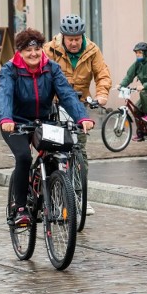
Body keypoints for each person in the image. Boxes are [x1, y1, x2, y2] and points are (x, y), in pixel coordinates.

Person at [0, 28, 95, 226]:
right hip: (16, 123)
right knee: (23, 157)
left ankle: (53, 199)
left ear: (42, 49)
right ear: (20, 52)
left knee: (54, 156)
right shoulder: (10, 69)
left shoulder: (51, 68)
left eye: (37, 49)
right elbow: (4, 95)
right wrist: (6, 118)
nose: (33, 54)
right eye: (27, 50)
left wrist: (82, 117)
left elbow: (66, 93)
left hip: (44, 121)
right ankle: (21, 208)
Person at [43, 14, 112, 215]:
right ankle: (49, 195)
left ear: (82, 36)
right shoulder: (49, 50)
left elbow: (102, 74)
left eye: (77, 38)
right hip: (54, 105)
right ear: (63, 37)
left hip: (79, 105)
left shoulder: (92, 50)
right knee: (50, 149)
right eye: (70, 39)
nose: (74, 43)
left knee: (79, 150)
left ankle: (80, 197)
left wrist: (101, 95)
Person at [117, 42, 147, 141]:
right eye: (136, 53)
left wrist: (144, 86)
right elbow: (129, 76)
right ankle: (141, 133)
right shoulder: (137, 64)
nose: (137, 54)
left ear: (146, 53)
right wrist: (121, 85)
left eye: (140, 52)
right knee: (136, 110)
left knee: (144, 93)